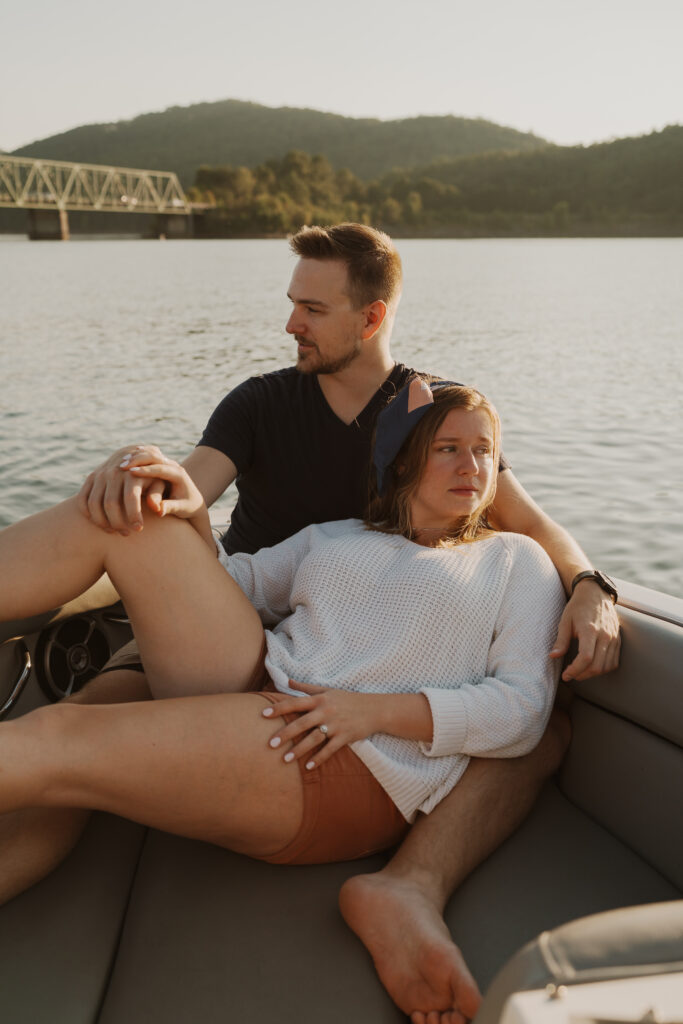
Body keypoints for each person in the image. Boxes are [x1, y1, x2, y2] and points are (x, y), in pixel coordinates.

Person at [0, 223, 620, 1024]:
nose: (291, 322)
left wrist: (588, 584)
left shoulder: (442, 438)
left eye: (311, 308)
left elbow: (531, 558)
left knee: (59, 750)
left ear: (369, 317)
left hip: (315, 730)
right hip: (246, 647)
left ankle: (409, 888)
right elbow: (204, 527)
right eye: (450, 453)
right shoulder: (299, 464)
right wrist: (152, 482)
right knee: (127, 522)